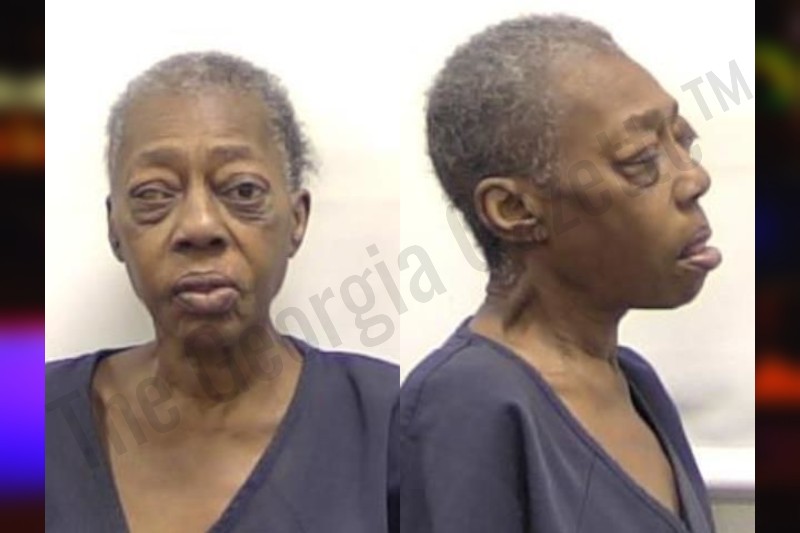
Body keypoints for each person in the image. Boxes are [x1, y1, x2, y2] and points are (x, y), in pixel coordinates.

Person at [390, 15, 718, 533]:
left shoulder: (633, 382)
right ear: (515, 210)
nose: (694, 178)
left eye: (683, 141)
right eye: (642, 159)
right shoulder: (466, 405)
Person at [46, 52, 398, 533]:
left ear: (296, 221)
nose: (199, 226)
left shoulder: (391, 423)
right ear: (115, 228)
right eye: (154, 194)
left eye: (242, 190)